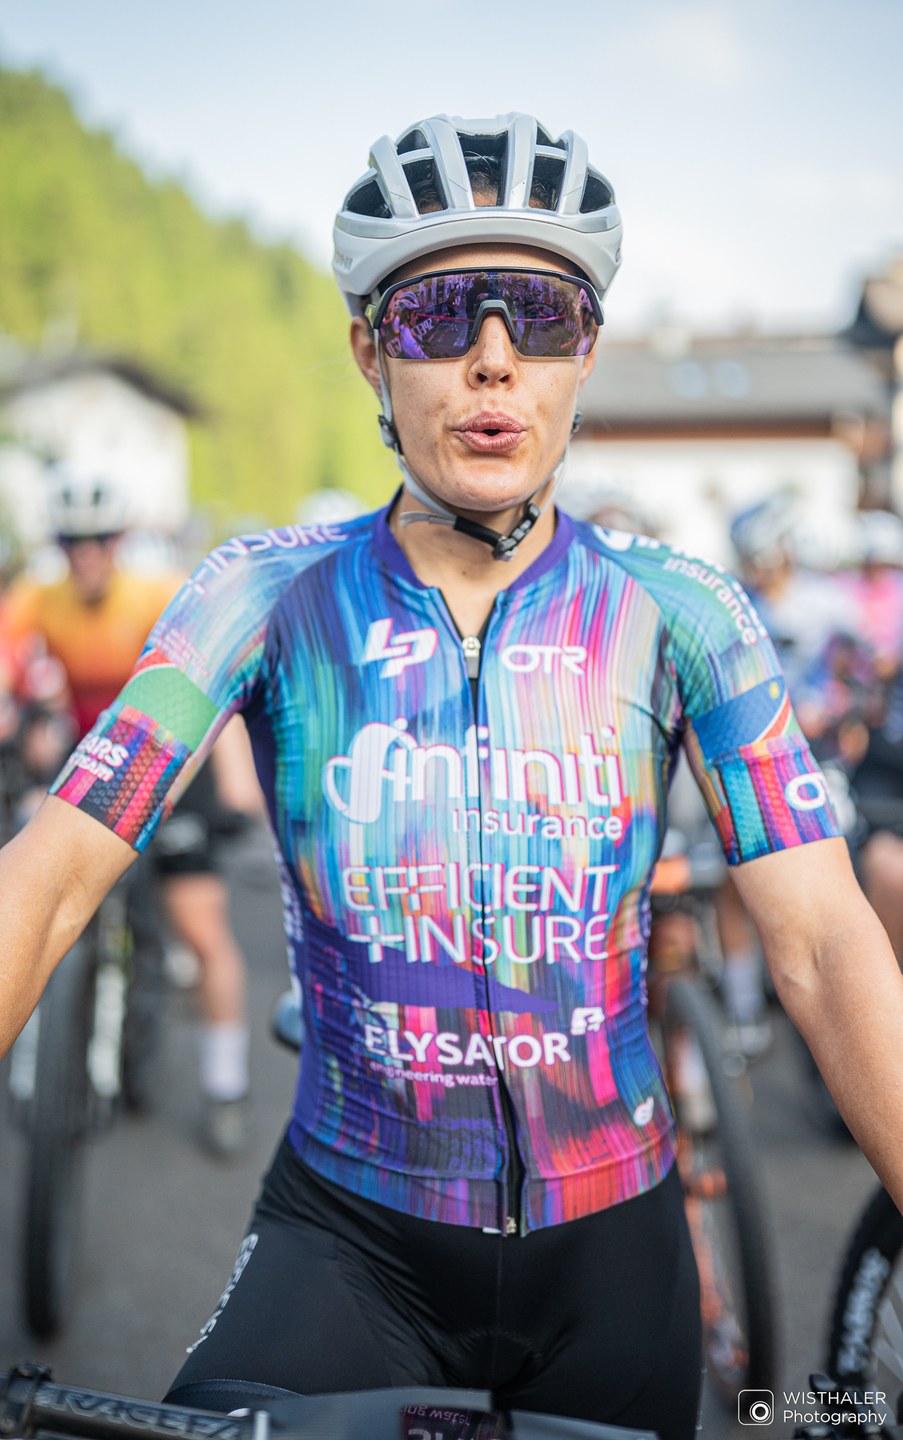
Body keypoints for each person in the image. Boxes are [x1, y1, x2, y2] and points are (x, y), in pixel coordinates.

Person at [1, 113, 902, 1439]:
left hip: (615, 1260)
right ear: (370, 350)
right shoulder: (261, 594)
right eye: (435, 315)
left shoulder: (683, 610)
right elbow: (50, 880)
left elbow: (822, 943)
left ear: (585, 349)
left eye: (539, 313)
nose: (492, 359)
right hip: (348, 1246)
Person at [2, 466, 254, 1155]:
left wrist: (236, 784)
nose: (86, 553)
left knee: (199, 924)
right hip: (92, 760)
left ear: (120, 541)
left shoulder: (157, 593)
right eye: (71, 540)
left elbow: (218, 684)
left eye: (100, 539)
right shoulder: (39, 599)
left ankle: (225, 1086)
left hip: (173, 760)